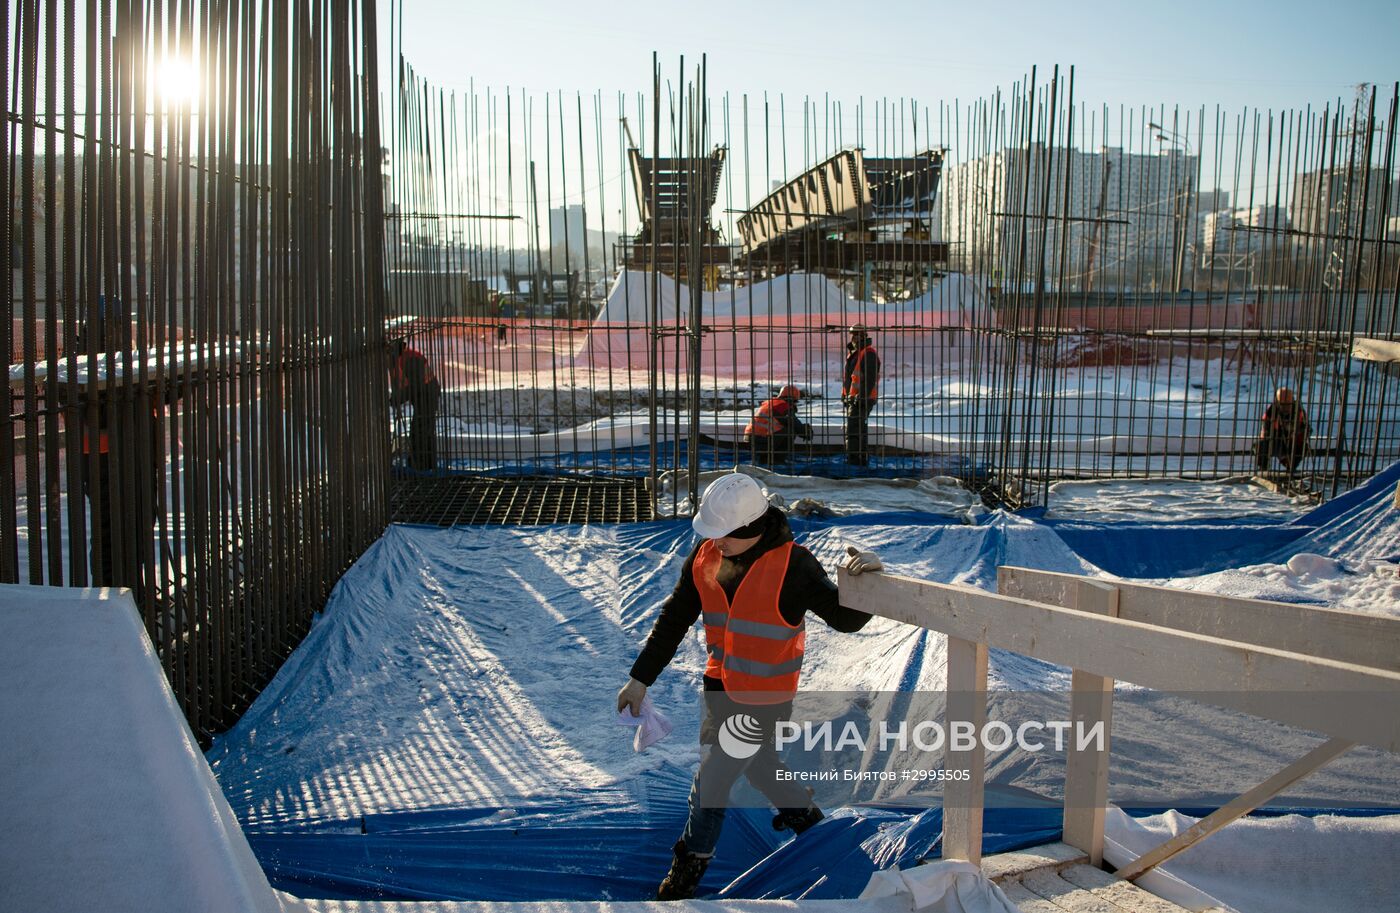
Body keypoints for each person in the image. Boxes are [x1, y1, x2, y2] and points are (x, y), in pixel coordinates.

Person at [617, 472, 883, 900]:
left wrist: (870, 579)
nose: (715, 542)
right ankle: (814, 830)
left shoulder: (793, 566)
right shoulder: (705, 556)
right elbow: (673, 620)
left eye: (723, 534)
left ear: (750, 529)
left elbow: (847, 618)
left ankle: (685, 872)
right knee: (762, 770)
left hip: (765, 699)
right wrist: (639, 679)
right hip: (719, 689)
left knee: (711, 782)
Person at [389, 338, 441, 472]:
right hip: (424, 395)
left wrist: (397, 399)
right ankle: (426, 464)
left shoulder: (410, 360)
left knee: (419, 431)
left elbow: (415, 386)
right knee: (423, 430)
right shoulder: (403, 358)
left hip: (427, 396)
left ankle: (420, 466)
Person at [742, 385, 811, 465]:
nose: (794, 404)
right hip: (761, 439)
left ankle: (766, 458)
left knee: (786, 429)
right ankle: (777, 460)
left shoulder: (772, 403)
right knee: (789, 432)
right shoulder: (782, 406)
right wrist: (805, 432)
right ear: (791, 399)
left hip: (752, 439)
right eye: (795, 401)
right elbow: (793, 422)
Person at [842, 325, 880, 466]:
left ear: (864, 336)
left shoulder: (868, 353)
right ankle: (859, 459)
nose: (854, 338)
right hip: (854, 399)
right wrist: (845, 395)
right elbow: (850, 378)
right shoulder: (855, 353)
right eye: (853, 335)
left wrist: (862, 397)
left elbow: (869, 378)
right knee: (858, 429)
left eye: (857, 335)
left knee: (853, 429)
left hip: (863, 399)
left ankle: (854, 461)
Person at [1254, 386, 1310, 473]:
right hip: (1275, 441)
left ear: (1293, 400)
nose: (1285, 407)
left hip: (1292, 442)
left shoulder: (1299, 411)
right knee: (1260, 445)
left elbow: (1307, 429)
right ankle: (1263, 469)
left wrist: (1296, 433)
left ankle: (1290, 467)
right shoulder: (1271, 411)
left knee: (1303, 447)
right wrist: (1279, 433)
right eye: (1282, 403)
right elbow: (1265, 432)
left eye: (1288, 403)